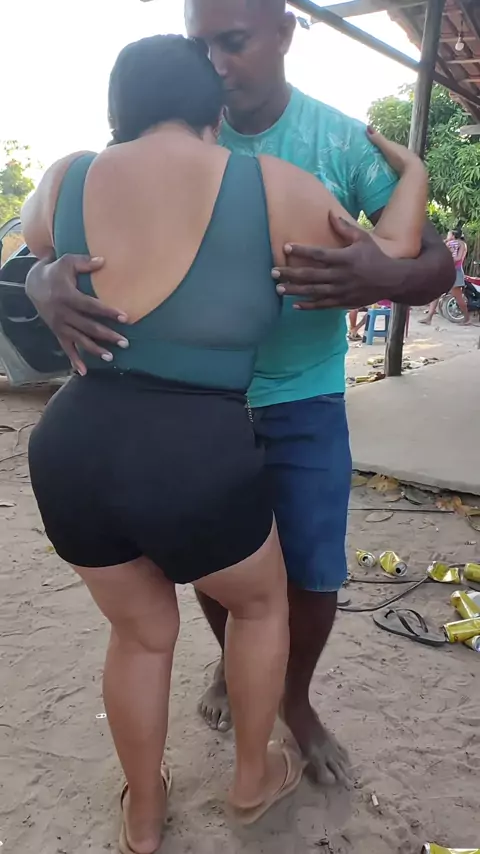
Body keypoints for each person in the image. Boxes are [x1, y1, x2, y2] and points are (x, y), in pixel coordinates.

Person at [24, 0, 454, 790]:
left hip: (234, 406)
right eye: (201, 49)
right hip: (195, 423)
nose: (218, 63)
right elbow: (46, 247)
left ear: (285, 33)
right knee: (239, 585)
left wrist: (383, 274)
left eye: (234, 41)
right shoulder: (248, 176)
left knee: (269, 588)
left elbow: (426, 262)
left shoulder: (334, 141)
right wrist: (43, 283)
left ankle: (242, 741)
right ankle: (246, 739)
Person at [421, 228, 469, 325]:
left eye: (449, 234)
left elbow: (458, 258)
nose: (447, 236)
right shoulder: (452, 244)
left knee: (458, 297)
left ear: (453, 235)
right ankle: (429, 318)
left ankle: (467, 318)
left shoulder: (461, 244)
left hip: (455, 272)